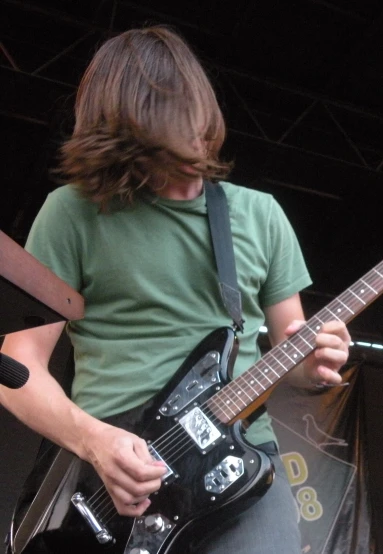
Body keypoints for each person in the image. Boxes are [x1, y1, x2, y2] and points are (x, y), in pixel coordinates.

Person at [0, 26, 350, 554]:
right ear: (121, 136)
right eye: (162, 143)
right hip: (119, 475)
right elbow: (16, 368)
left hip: (240, 466)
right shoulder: (71, 213)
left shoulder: (260, 214)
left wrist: (318, 361)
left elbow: (292, 357)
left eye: (196, 130)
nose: (189, 156)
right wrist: (93, 440)